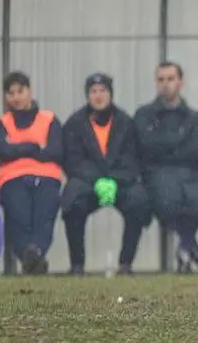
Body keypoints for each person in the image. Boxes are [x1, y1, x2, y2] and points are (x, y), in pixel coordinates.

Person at [61, 73, 152, 275]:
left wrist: (113, 179)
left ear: (111, 94)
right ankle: (77, 265)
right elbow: (73, 161)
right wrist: (97, 180)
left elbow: (133, 158)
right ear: (87, 95)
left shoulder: (125, 122)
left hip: (120, 182)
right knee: (72, 201)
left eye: (103, 90)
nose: (98, 96)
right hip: (88, 182)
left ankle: (125, 264)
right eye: (93, 91)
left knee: (138, 200)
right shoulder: (75, 123)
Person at [134, 62, 198, 273]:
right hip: (157, 175)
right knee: (169, 201)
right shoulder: (144, 115)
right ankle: (189, 245)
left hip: (190, 175)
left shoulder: (195, 117)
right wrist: (177, 145)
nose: (166, 84)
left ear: (181, 82)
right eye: (161, 79)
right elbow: (146, 147)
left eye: (170, 79)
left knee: (197, 203)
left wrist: (165, 147)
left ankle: (185, 247)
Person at [0, 71, 63, 275]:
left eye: (20, 91)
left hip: (47, 177)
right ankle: (32, 256)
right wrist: (35, 147)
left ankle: (32, 253)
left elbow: (56, 151)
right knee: (18, 215)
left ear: (30, 91)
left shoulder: (49, 119)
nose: (16, 97)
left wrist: (18, 148)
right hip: (12, 178)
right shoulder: (2, 123)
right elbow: (3, 151)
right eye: (11, 93)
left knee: (44, 215)